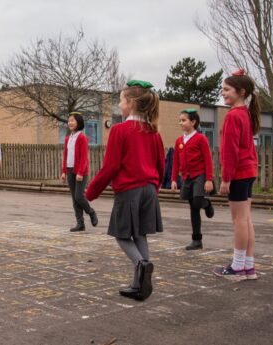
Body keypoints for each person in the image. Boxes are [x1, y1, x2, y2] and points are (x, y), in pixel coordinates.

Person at [85, 80, 165, 301]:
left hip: (129, 189)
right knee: (140, 233)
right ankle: (139, 285)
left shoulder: (120, 130)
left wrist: (91, 192)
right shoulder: (153, 132)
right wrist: (154, 188)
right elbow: (161, 166)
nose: (118, 104)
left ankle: (142, 265)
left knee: (121, 235)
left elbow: (111, 166)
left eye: (120, 100)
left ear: (130, 103)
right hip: (149, 189)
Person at [213, 69, 260, 281]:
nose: (223, 93)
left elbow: (230, 151)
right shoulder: (246, 114)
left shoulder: (233, 116)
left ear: (240, 92)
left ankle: (238, 266)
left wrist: (225, 178)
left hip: (239, 173)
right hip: (249, 171)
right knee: (246, 219)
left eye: (226, 89)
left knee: (239, 220)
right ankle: (248, 266)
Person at [171, 108, 215, 250]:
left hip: (199, 174)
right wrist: (173, 179)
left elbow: (208, 160)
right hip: (186, 177)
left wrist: (209, 179)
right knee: (193, 208)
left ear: (193, 122)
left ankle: (207, 204)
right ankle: (197, 240)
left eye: (184, 120)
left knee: (197, 201)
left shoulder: (200, 138)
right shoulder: (179, 141)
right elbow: (175, 161)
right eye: (180, 120)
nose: (181, 123)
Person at [60, 112, 98, 232]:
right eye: (69, 120)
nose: (70, 122)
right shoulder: (68, 139)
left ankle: (91, 212)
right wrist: (64, 171)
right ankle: (80, 223)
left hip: (81, 171)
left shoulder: (82, 137)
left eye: (72, 120)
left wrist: (80, 173)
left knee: (79, 196)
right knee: (74, 198)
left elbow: (84, 157)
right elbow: (66, 156)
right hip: (70, 170)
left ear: (78, 122)